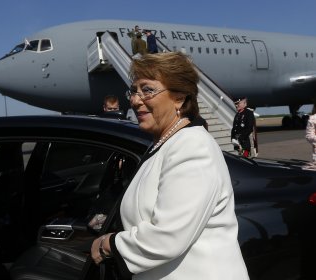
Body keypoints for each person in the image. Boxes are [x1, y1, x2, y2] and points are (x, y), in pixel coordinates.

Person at [91, 52, 249, 280]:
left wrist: (109, 244)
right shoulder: (164, 143)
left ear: (180, 98)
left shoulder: (192, 146)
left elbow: (167, 237)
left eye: (147, 90)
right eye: (134, 90)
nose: (135, 100)